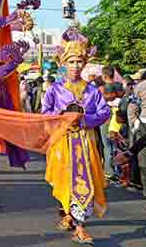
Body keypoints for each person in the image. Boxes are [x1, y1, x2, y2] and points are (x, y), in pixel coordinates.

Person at [42, 27, 110, 245]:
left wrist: (84, 119)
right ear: (64, 63)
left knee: (83, 182)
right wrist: (62, 117)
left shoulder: (91, 91)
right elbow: (45, 114)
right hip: (62, 143)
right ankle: (67, 213)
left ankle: (80, 227)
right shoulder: (54, 89)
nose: (75, 66)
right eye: (71, 62)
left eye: (79, 62)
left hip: (85, 143)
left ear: (84, 64)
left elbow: (105, 112)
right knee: (64, 181)